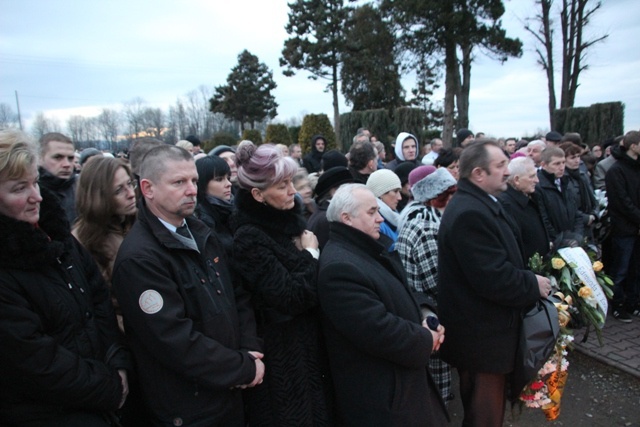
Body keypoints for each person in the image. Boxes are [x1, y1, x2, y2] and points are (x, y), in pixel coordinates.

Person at [112, 145, 263, 426]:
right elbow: (173, 340)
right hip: (190, 408)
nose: (192, 189)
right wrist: (241, 367)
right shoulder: (139, 259)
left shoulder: (201, 232)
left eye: (194, 180)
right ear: (148, 188)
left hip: (227, 393)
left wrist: (250, 348)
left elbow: (236, 295)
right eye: (179, 182)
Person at [0, 129, 130, 426]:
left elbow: (99, 301)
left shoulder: (55, 235)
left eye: (35, 182)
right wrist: (109, 386)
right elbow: (34, 360)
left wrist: (118, 363)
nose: (37, 197)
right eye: (20, 189)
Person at [437, 139, 551, 426]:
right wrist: (531, 284)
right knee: (483, 417)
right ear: (478, 174)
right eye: (500, 165)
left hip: (488, 336)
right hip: (482, 341)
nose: (507, 171)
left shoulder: (480, 203)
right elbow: (492, 277)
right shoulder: (469, 213)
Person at [317, 183, 448, 426]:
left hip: (401, 389)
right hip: (385, 399)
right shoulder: (339, 267)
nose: (379, 218)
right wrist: (425, 339)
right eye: (371, 212)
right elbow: (377, 329)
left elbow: (403, 290)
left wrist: (427, 313)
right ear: (346, 218)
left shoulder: (366, 249)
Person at [232, 141, 334, 426]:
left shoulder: (285, 224)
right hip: (284, 357)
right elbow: (289, 296)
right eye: (282, 186)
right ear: (258, 194)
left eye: (290, 182)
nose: (292, 191)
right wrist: (311, 255)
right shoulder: (249, 238)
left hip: (306, 346)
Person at [396, 167, 457, 403]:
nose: (454, 200)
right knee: (435, 383)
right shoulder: (427, 227)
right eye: (449, 194)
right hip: (429, 313)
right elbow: (436, 281)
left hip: (421, 309)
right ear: (435, 198)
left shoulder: (418, 217)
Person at [605, 130, 640, 322]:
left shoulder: (637, 168)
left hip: (636, 227)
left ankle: (633, 302)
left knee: (636, 269)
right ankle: (617, 305)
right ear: (633, 146)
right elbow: (622, 202)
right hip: (624, 228)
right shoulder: (616, 171)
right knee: (620, 269)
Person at [498, 156, 551, 261]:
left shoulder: (533, 196)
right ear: (516, 179)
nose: (537, 180)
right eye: (532, 176)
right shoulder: (506, 205)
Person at [536, 146, 584, 243]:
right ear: (544, 165)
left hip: (572, 239)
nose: (562, 167)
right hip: (555, 243)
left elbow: (576, 213)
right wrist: (560, 240)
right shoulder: (538, 187)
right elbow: (544, 220)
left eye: (563, 162)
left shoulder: (565, 182)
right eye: (557, 164)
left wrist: (577, 236)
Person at [194, 155, 235, 258]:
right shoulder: (201, 220)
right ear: (202, 184)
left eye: (228, 178)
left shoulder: (233, 208)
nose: (228, 184)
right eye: (219, 179)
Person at [307, 166, 354, 249]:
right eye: (349, 188)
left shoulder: (325, 213)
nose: (354, 192)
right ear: (333, 192)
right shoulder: (328, 219)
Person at [560, 142, 598, 243]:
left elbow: (593, 198)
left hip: (589, 224)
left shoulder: (582, 175)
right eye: (572, 158)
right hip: (574, 226)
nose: (577, 160)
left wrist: (594, 214)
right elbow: (566, 205)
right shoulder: (562, 179)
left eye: (578, 157)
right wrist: (585, 218)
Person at [38, 132, 78, 223]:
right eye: (58, 157)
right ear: (39, 158)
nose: (67, 164)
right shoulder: (29, 192)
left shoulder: (83, 188)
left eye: (70, 158)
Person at [366, 169, 402, 247]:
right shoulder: (377, 224)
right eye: (395, 191)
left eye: (399, 191)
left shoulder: (392, 215)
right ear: (380, 194)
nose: (400, 197)